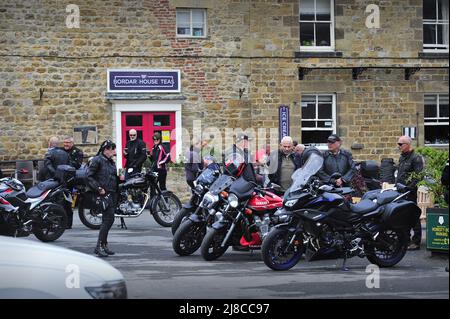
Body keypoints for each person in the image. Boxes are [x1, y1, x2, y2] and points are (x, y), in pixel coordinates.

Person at [86, 140, 119, 257]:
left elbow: (112, 177)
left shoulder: (110, 162)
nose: (114, 151)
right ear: (106, 150)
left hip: (112, 193)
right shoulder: (97, 160)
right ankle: (99, 246)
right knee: (107, 220)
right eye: (113, 149)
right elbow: (89, 176)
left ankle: (104, 245)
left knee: (110, 220)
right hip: (102, 194)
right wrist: (98, 188)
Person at [395, 135, 424, 251]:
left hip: (410, 192)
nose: (398, 146)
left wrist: (409, 188)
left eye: (400, 144)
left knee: (413, 216)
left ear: (407, 145)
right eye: (398, 144)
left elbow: (418, 176)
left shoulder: (416, 158)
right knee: (403, 216)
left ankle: (416, 242)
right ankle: (405, 240)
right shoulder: (402, 157)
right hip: (401, 191)